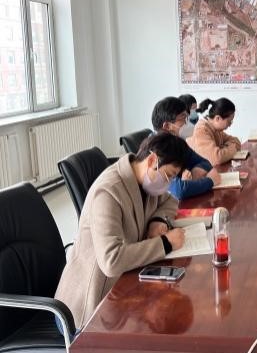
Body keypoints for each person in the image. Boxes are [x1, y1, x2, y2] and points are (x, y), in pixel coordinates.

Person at [55, 132, 191, 329]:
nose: (168, 183)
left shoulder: (146, 181)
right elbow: (111, 261)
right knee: (158, 327)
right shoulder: (109, 191)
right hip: (89, 307)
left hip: (124, 286)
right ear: (152, 160)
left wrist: (158, 220)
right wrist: (166, 243)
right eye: (168, 175)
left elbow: (170, 201)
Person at [152, 96, 220, 198]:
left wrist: (194, 172)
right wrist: (210, 181)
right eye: (182, 119)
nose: (185, 123)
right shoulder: (156, 150)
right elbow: (179, 190)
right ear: (167, 126)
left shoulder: (178, 143)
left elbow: (205, 162)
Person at [188, 97, 241, 166]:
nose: (230, 125)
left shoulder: (216, 129)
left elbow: (236, 141)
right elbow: (216, 158)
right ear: (217, 118)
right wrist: (232, 149)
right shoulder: (201, 130)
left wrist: (224, 148)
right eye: (229, 121)